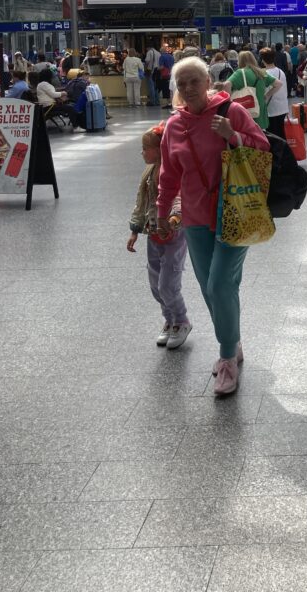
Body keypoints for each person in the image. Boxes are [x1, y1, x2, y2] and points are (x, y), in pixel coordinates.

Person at [156, 57, 270, 394]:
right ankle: (232, 341)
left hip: (234, 211)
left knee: (220, 284)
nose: (189, 89)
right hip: (194, 217)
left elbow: (263, 148)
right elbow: (168, 174)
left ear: (208, 81)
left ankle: (226, 361)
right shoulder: (173, 126)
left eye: (194, 81)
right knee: (210, 287)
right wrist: (162, 211)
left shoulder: (231, 112)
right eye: (182, 84)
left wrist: (233, 136)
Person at [127, 124, 192, 347]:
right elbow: (141, 201)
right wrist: (135, 229)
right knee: (155, 283)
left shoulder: (173, 170)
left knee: (168, 282)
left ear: (160, 148)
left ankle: (181, 320)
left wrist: (175, 218)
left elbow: (181, 196)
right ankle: (169, 319)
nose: (143, 152)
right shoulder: (149, 173)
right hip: (153, 234)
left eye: (146, 148)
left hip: (174, 235)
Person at [227, 50, 276, 131]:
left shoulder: (240, 73)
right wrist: (267, 95)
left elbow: (227, 85)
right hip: (260, 115)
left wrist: (227, 102)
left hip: (244, 113)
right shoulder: (262, 72)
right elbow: (278, 84)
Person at [260, 46, 288, 139]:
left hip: (271, 109)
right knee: (281, 134)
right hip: (283, 107)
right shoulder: (281, 72)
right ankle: (284, 152)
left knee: (273, 137)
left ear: (263, 60)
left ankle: (277, 153)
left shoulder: (265, 74)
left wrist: (267, 95)